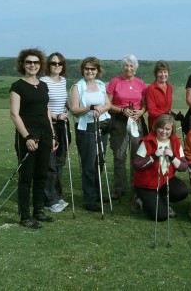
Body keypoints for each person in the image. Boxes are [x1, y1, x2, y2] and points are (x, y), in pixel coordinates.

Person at [10, 48, 58, 229]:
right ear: (23, 64)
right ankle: (25, 216)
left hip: (45, 134)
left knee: (41, 174)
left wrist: (52, 135)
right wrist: (27, 137)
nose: (32, 65)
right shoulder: (18, 86)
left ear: (40, 65)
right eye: (29, 62)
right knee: (26, 177)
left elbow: (46, 111)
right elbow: (15, 115)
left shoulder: (43, 85)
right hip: (28, 136)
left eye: (36, 63)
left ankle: (38, 210)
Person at [69, 57, 111, 212]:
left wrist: (101, 109)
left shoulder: (100, 85)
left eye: (93, 69)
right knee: (88, 165)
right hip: (86, 128)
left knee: (99, 162)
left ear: (97, 71)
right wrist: (90, 108)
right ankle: (89, 199)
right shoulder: (77, 87)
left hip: (102, 126)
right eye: (87, 68)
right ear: (83, 70)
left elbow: (108, 104)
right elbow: (74, 109)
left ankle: (97, 193)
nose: (90, 71)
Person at [106, 54, 147, 207]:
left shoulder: (141, 83)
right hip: (119, 122)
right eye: (126, 65)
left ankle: (136, 188)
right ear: (122, 67)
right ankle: (119, 189)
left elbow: (145, 104)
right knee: (119, 156)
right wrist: (122, 110)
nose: (128, 68)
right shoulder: (114, 82)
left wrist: (141, 112)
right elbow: (107, 104)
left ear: (135, 68)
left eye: (131, 66)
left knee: (137, 156)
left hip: (136, 122)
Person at [133, 114, 188, 220]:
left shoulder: (175, 142)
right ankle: (140, 199)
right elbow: (137, 165)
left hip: (164, 180)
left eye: (167, 129)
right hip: (146, 184)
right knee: (161, 216)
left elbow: (183, 167)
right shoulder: (147, 141)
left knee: (181, 191)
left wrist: (172, 156)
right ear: (156, 127)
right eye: (161, 128)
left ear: (172, 130)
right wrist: (153, 156)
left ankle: (160, 201)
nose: (164, 131)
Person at [40, 52, 70, 213]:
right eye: (53, 63)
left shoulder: (63, 81)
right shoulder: (44, 81)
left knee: (60, 162)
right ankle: (48, 200)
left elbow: (64, 101)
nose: (56, 66)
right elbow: (44, 106)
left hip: (63, 125)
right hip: (50, 124)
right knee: (50, 164)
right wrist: (56, 116)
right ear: (48, 65)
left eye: (59, 63)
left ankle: (57, 196)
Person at [145, 60, 173, 131]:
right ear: (156, 74)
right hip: (156, 125)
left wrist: (174, 114)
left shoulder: (169, 87)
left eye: (165, 72)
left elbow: (167, 108)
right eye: (160, 72)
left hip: (168, 124)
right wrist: (166, 115)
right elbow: (151, 112)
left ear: (168, 73)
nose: (163, 75)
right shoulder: (151, 89)